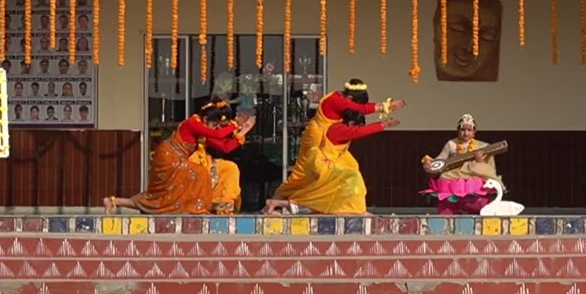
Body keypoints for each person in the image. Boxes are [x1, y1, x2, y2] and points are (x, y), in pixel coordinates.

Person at [268, 79, 404, 214]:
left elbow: (358, 112)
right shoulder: (337, 106)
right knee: (302, 175)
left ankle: (351, 208)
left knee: (350, 171)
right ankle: (275, 204)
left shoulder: (340, 100)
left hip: (329, 149)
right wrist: (386, 111)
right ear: (350, 98)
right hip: (317, 142)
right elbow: (359, 114)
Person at [104, 99, 254, 215]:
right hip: (168, 157)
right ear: (206, 120)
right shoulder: (192, 123)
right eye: (214, 124)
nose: (215, 128)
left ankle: (113, 201)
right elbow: (218, 134)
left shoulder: (203, 130)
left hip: (179, 160)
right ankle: (196, 209)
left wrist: (243, 131)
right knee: (200, 173)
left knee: (159, 197)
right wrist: (235, 124)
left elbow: (225, 147)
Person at [420, 113, 502, 215]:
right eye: (463, 130)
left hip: (473, 180)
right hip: (454, 181)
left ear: (474, 132)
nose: (466, 133)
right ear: (458, 131)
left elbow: (489, 169)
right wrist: (429, 164)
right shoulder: (451, 144)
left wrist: (479, 162)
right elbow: (440, 160)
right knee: (444, 177)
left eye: (469, 130)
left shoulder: (483, 146)